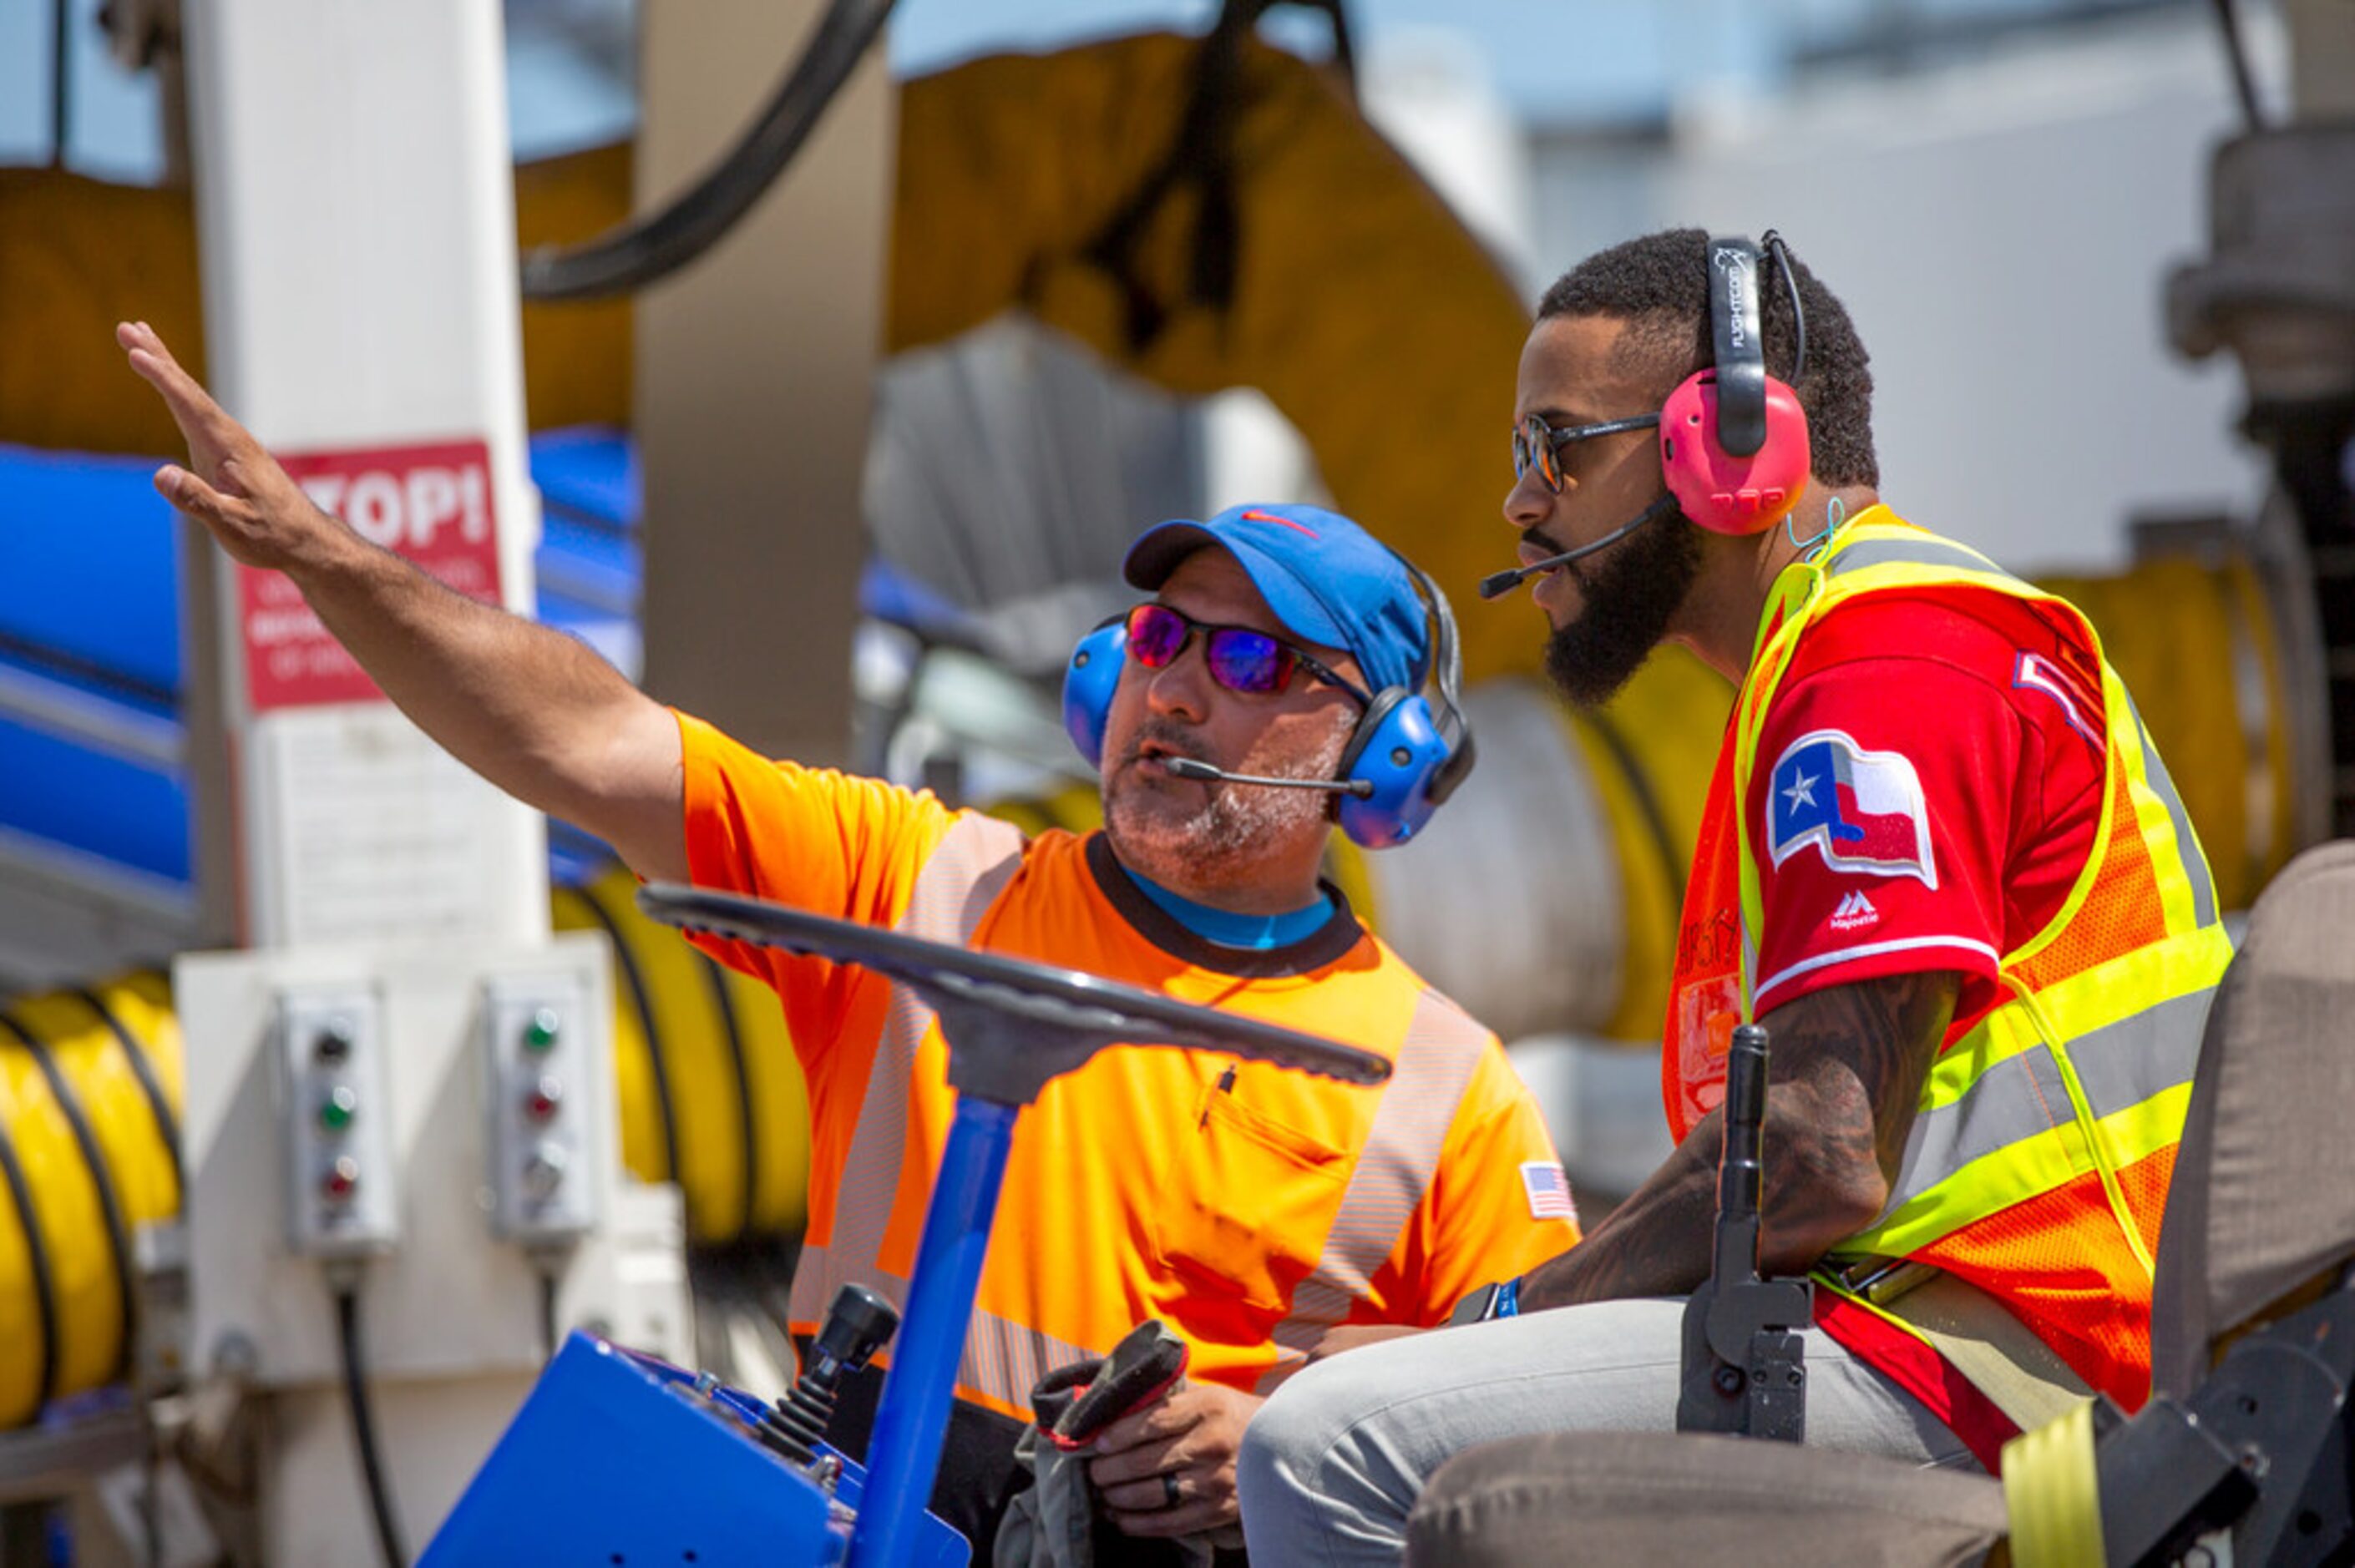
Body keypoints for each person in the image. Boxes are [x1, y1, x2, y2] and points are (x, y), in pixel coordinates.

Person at [116, 321, 1581, 1558]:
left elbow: (1540, 1413)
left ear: (1373, 757)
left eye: (1254, 658)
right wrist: (324, 563)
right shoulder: (921, 884)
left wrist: (1280, 1437)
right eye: (1161, 638)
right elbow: (589, 742)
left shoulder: (1446, 1084)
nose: (1180, 691)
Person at [1236, 228, 2234, 1563]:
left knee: (1323, 1445)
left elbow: (1819, 1159)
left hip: (2006, 1384)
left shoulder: (1884, 664)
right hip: (1972, 1357)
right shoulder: (1838, 667)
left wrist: (1493, 1325)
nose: (1520, 507)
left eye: (1557, 448)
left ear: (1731, 443)